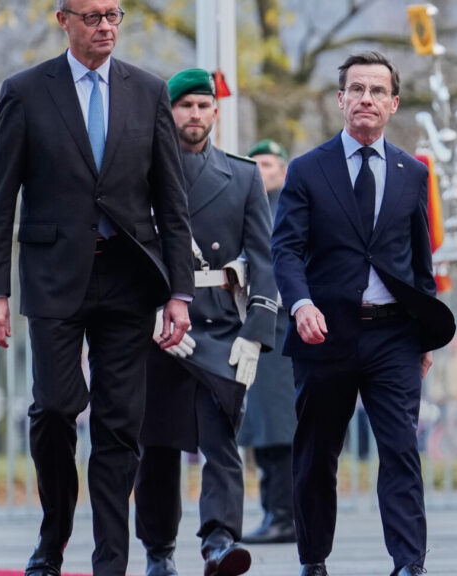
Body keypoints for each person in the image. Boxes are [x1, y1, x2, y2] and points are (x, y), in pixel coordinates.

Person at [0, 2, 194, 574]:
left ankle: (110, 561)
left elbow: (172, 204)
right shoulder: (25, 91)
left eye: (114, 15)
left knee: (119, 426)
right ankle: (53, 539)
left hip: (129, 279)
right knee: (53, 410)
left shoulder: (148, 92)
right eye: (92, 15)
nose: (106, 27)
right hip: (54, 278)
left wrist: (180, 292)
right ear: (63, 20)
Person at [271, 51, 455, 576]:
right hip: (323, 334)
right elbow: (285, 249)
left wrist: (424, 338)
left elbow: (421, 262)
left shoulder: (411, 173)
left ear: (393, 104)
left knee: (400, 450)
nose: (366, 99)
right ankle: (314, 560)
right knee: (316, 455)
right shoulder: (307, 170)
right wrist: (300, 303)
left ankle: (408, 563)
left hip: (394, 336)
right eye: (357, 89)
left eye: (377, 91)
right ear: (340, 100)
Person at [132, 69, 278, 576]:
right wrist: (149, 315)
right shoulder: (140, 172)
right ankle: (158, 552)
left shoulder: (242, 175)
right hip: (158, 327)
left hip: (217, 328)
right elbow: (130, 250)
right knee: (157, 446)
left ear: (216, 113)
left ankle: (219, 542)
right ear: (168, 112)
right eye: (184, 106)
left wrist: (258, 331)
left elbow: (263, 256)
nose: (195, 115)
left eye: (203, 106)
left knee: (221, 440)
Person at [237, 139, 300, 545]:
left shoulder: (287, 211)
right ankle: (274, 512)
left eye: (270, 164)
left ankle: (285, 515)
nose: (262, 171)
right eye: (256, 163)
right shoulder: (250, 209)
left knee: (279, 429)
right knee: (263, 428)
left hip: (279, 327)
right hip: (256, 326)